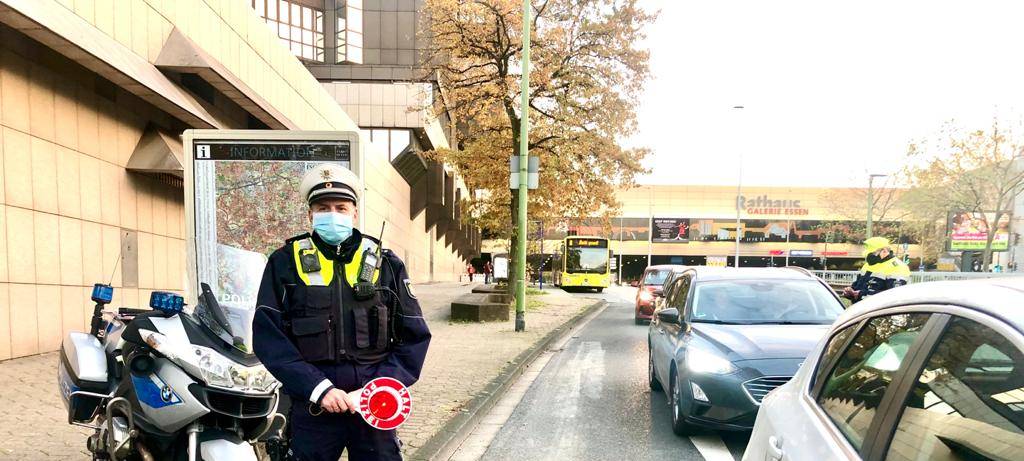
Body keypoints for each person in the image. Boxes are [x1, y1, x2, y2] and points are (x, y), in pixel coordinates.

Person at [252, 163, 431, 461]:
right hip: (313, 405)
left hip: (373, 403)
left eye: (341, 208)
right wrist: (319, 389)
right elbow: (269, 338)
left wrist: (377, 388)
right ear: (310, 214)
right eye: (323, 208)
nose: (332, 214)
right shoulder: (284, 262)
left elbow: (415, 336)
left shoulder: (386, 263)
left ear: (354, 213)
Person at [842, 237, 910, 303]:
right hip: (861, 308)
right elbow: (858, 286)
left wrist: (861, 294)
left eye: (873, 253)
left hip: (881, 309)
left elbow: (894, 295)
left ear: (884, 251)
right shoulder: (867, 265)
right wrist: (851, 291)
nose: (869, 257)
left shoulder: (898, 267)